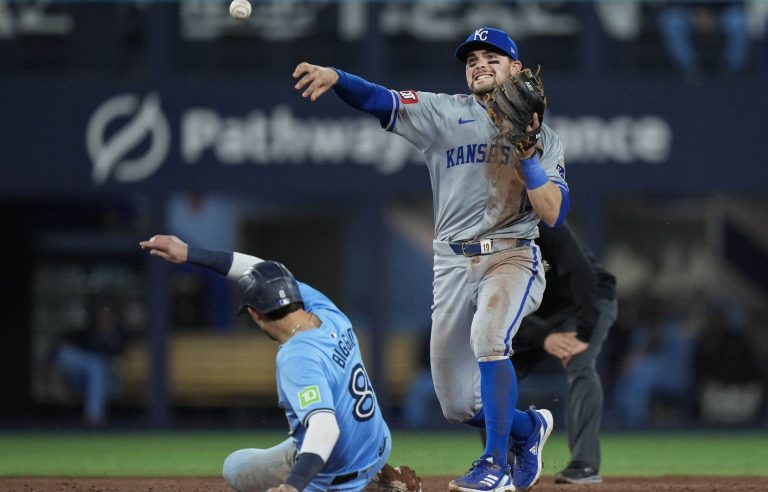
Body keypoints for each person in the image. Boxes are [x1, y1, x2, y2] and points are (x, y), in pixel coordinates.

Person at [293, 26, 570, 491]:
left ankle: (494, 464)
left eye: (492, 56)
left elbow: (554, 215)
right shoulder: (444, 112)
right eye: (472, 59)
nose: (480, 63)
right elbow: (381, 101)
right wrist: (337, 76)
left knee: (489, 335)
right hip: (451, 265)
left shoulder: (543, 138)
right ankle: (529, 428)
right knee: (456, 403)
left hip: (512, 256)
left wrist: (527, 155)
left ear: (517, 70)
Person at [140, 235, 419, 492]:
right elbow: (265, 270)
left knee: (235, 467)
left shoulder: (296, 356)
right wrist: (188, 252)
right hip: (377, 445)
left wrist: (293, 485)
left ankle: (370, 486)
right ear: (292, 294)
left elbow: (325, 429)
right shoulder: (328, 311)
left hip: (337, 474)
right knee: (323, 418)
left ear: (253, 314)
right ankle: (381, 472)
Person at [509, 222, 617, 484]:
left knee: (580, 364)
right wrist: (543, 336)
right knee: (494, 376)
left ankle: (585, 464)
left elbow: (584, 277)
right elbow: (485, 308)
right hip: (533, 319)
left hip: (583, 305)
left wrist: (584, 334)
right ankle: (502, 463)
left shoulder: (542, 225)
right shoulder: (487, 240)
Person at [50, 296, 133, 427]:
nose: (104, 318)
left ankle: (93, 419)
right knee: (80, 358)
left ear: (114, 317)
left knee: (97, 367)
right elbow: (65, 342)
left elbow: (119, 359)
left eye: (108, 314)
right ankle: (93, 417)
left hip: (110, 380)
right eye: (102, 314)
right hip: (81, 377)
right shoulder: (89, 331)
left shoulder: (121, 335)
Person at [657, 1, 751, 82]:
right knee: (672, 22)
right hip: (689, 11)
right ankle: (689, 69)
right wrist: (696, 12)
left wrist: (714, 13)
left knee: (738, 22)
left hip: (722, 11)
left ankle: (731, 68)